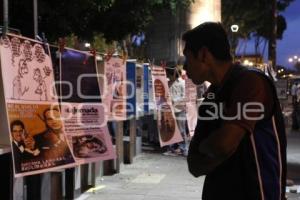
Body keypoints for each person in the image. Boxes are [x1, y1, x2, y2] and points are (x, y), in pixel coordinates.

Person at [183, 22, 287, 200]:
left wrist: (210, 147)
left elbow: (223, 144)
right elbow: (194, 164)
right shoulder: (211, 96)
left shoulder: (251, 83)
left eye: (187, 58)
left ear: (203, 55)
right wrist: (216, 147)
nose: (185, 67)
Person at [169, 69, 189, 156]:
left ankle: (184, 148)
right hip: (171, 109)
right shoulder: (169, 83)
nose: (169, 77)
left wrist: (174, 100)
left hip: (180, 109)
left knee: (181, 130)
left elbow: (185, 96)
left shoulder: (182, 83)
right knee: (173, 129)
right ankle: (174, 147)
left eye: (169, 75)